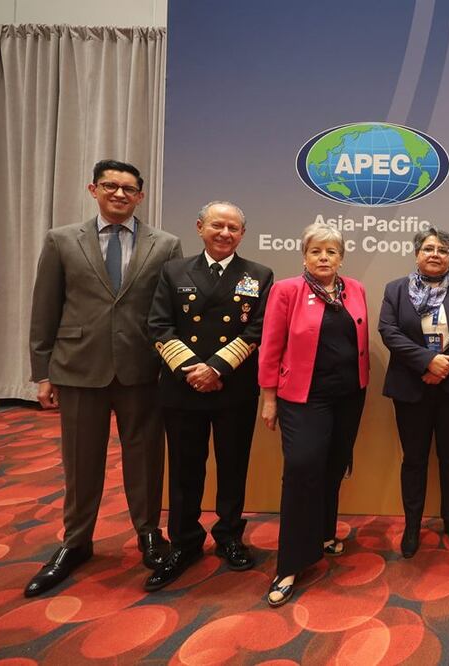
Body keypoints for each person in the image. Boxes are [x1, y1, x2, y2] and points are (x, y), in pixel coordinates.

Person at [26, 159, 182, 597]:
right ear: (93, 189)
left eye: (128, 189)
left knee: (147, 458)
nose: (119, 194)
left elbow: (168, 311)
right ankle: (76, 542)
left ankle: (149, 534)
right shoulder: (61, 241)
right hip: (78, 367)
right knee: (81, 461)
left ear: (141, 196)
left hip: (142, 369)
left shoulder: (166, 244)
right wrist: (42, 372)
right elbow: (45, 308)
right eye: (110, 186)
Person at [143, 201, 274, 591]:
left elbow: (257, 331)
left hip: (232, 387)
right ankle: (184, 543)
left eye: (234, 228)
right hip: (183, 388)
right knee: (185, 469)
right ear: (200, 227)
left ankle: (230, 535)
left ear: (242, 234)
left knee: (233, 466)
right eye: (217, 225)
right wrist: (194, 371)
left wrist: (216, 367)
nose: (225, 233)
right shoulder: (173, 271)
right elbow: (158, 326)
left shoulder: (258, 275)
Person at [257, 223, 369, 607]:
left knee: (335, 465)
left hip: (349, 396)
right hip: (302, 398)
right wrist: (269, 398)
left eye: (331, 252)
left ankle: (324, 533)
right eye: (316, 251)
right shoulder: (287, 290)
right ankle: (289, 564)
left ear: (341, 257)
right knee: (303, 468)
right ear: (304, 255)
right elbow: (270, 346)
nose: (324, 258)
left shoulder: (354, 289)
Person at [378, 229, 449, 558]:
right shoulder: (396, 289)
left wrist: (445, 365)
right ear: (417, 254)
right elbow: (388, 330)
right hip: (411, 387)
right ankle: (412, 525)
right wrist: (427, 361)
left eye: (442, 249)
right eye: (428, 248)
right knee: (414, 460)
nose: (435, 254)